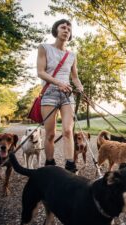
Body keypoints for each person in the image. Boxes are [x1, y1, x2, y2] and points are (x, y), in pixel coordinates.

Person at [37, 19, 83, 173]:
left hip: (67, 94)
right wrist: (58, 83)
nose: (66, 30)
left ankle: (70, 165)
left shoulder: (72, 55)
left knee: (68, 131)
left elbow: (75, 77)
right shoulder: (44, 48)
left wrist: (80, 87)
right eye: (63, 27)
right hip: (49, 93)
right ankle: (49, 164)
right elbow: (41, 72)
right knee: (50, 134)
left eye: (69, 29)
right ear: (56, 30)